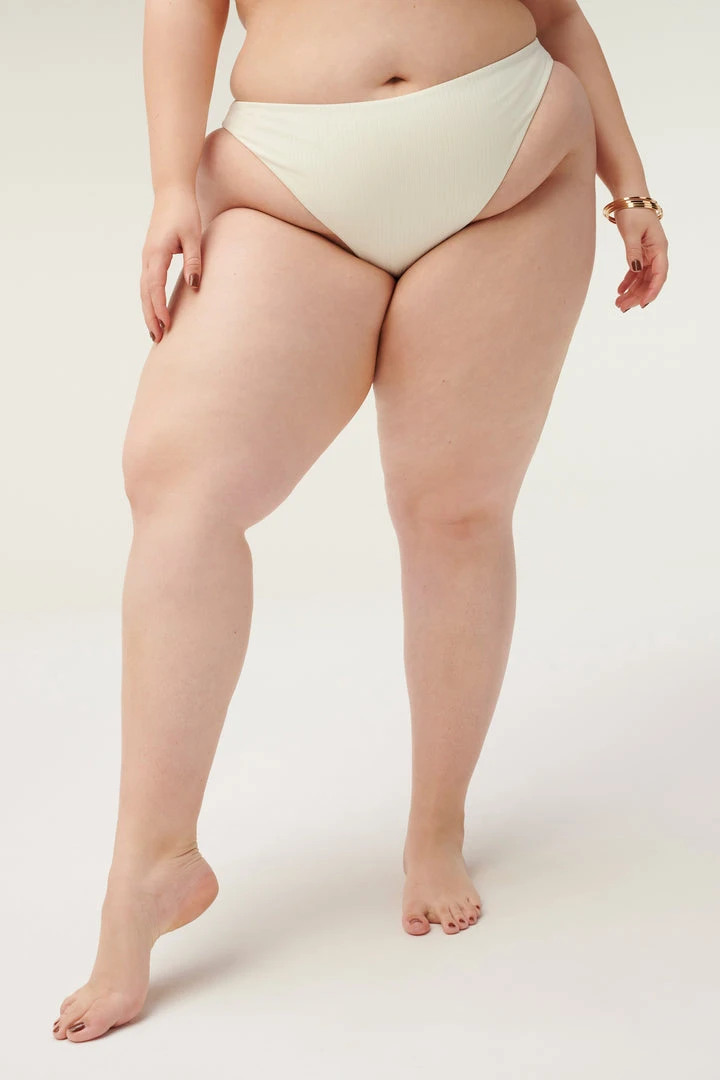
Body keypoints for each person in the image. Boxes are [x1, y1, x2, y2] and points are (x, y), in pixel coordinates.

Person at [52, 0, 668, 1044]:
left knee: (455, 512)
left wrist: (633, 188)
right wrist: (168, 186)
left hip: (510, 157)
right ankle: (151, 865)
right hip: (291, 182)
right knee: (180, 488)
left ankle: (436, 827)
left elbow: (559, 16)